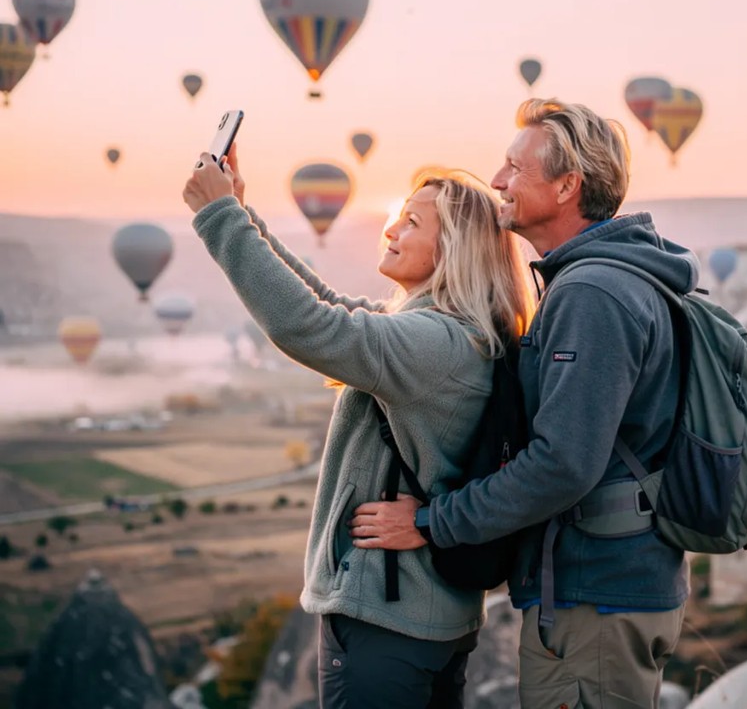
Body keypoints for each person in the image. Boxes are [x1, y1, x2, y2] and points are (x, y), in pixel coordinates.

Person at [351, 98, 701, 708]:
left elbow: (563, 463)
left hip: (595, 595)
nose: (497, 182)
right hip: (606, 588)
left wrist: (434, 522)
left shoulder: (592, 293)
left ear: (568, 185)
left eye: (516, 167)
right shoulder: (606, 280)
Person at [181, 147, 534, 709]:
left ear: (454, 250)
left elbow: (308, 325)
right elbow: (327, 302)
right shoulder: (456, 336)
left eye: (413, 222)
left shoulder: (432, 346)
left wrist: (218, 218)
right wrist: (242, 213)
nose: (392, 228)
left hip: (384, 620)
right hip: (423, 616)